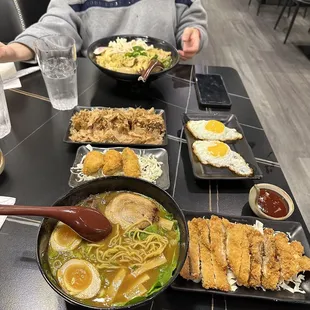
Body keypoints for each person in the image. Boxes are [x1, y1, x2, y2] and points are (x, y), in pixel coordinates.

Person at [0, 0, 207, 63]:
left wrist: (192, 32)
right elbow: (57, 26)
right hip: (95, 83)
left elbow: (191, 15)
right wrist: (15, 51)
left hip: (163, 78)